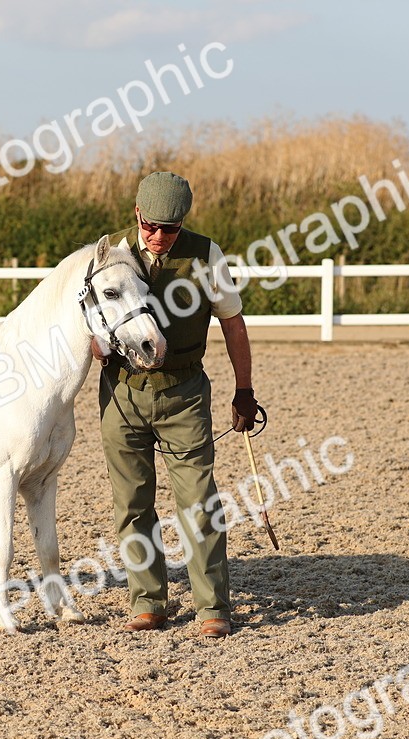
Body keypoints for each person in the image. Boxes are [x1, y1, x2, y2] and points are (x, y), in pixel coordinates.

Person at [92, 171, 257, 638]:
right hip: (122, 394)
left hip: (184, 394)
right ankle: (148, 603)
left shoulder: (206, 255)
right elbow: (83, 316)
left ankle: (212, 608)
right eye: (151, 226)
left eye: (171, 228)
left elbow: (233, 323)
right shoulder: (108, 252)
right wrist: (95, 343)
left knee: (199, 503)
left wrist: (244, 390)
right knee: (131, 503)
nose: (159, 237)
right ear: (137, 214)